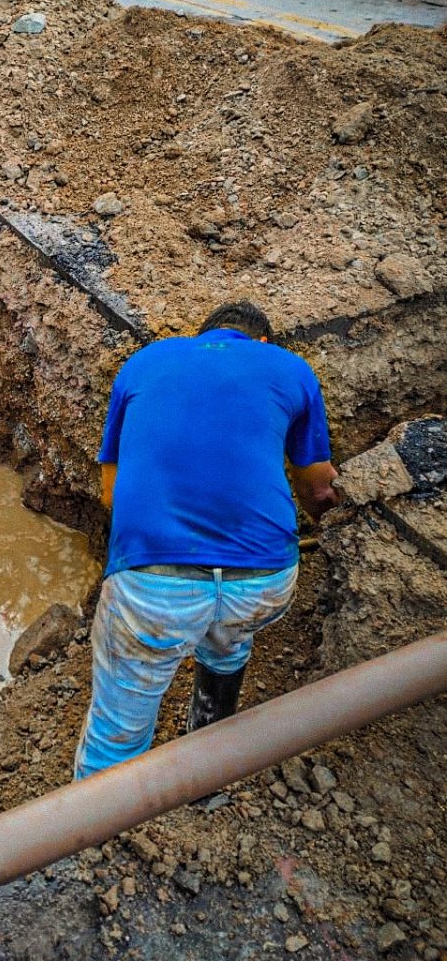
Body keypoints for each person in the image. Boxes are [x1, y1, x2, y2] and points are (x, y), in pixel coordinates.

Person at [75, 301, 340, 779]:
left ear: (202, 335)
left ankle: (89, 837)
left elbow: (111, 493)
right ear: (262, 341)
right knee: (228, 637)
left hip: (154, 591)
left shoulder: (146, 360)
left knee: (118, 727)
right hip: (264, 584)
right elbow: (318, 488)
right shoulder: (291, 368)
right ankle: (206, 774)